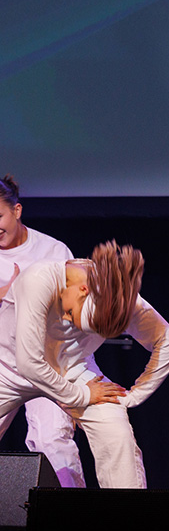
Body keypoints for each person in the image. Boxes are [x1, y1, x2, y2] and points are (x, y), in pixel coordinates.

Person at [0, 241, 169, 487]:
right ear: (84, 289)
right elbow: (29, 364)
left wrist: (133, 396)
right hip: (9, 369)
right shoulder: (39, 279)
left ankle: (128, 510)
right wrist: (81, 395)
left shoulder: (119, 298)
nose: (65, 319)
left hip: (73, 370)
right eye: (71, 314)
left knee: (116, 433)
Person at [0, 175, 88, 487]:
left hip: (48, 361)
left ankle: (68, 511)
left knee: (52, 440)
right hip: (4, 365)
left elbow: (72, 314)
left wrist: (71, 385)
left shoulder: (52, 250)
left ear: (17, 210)